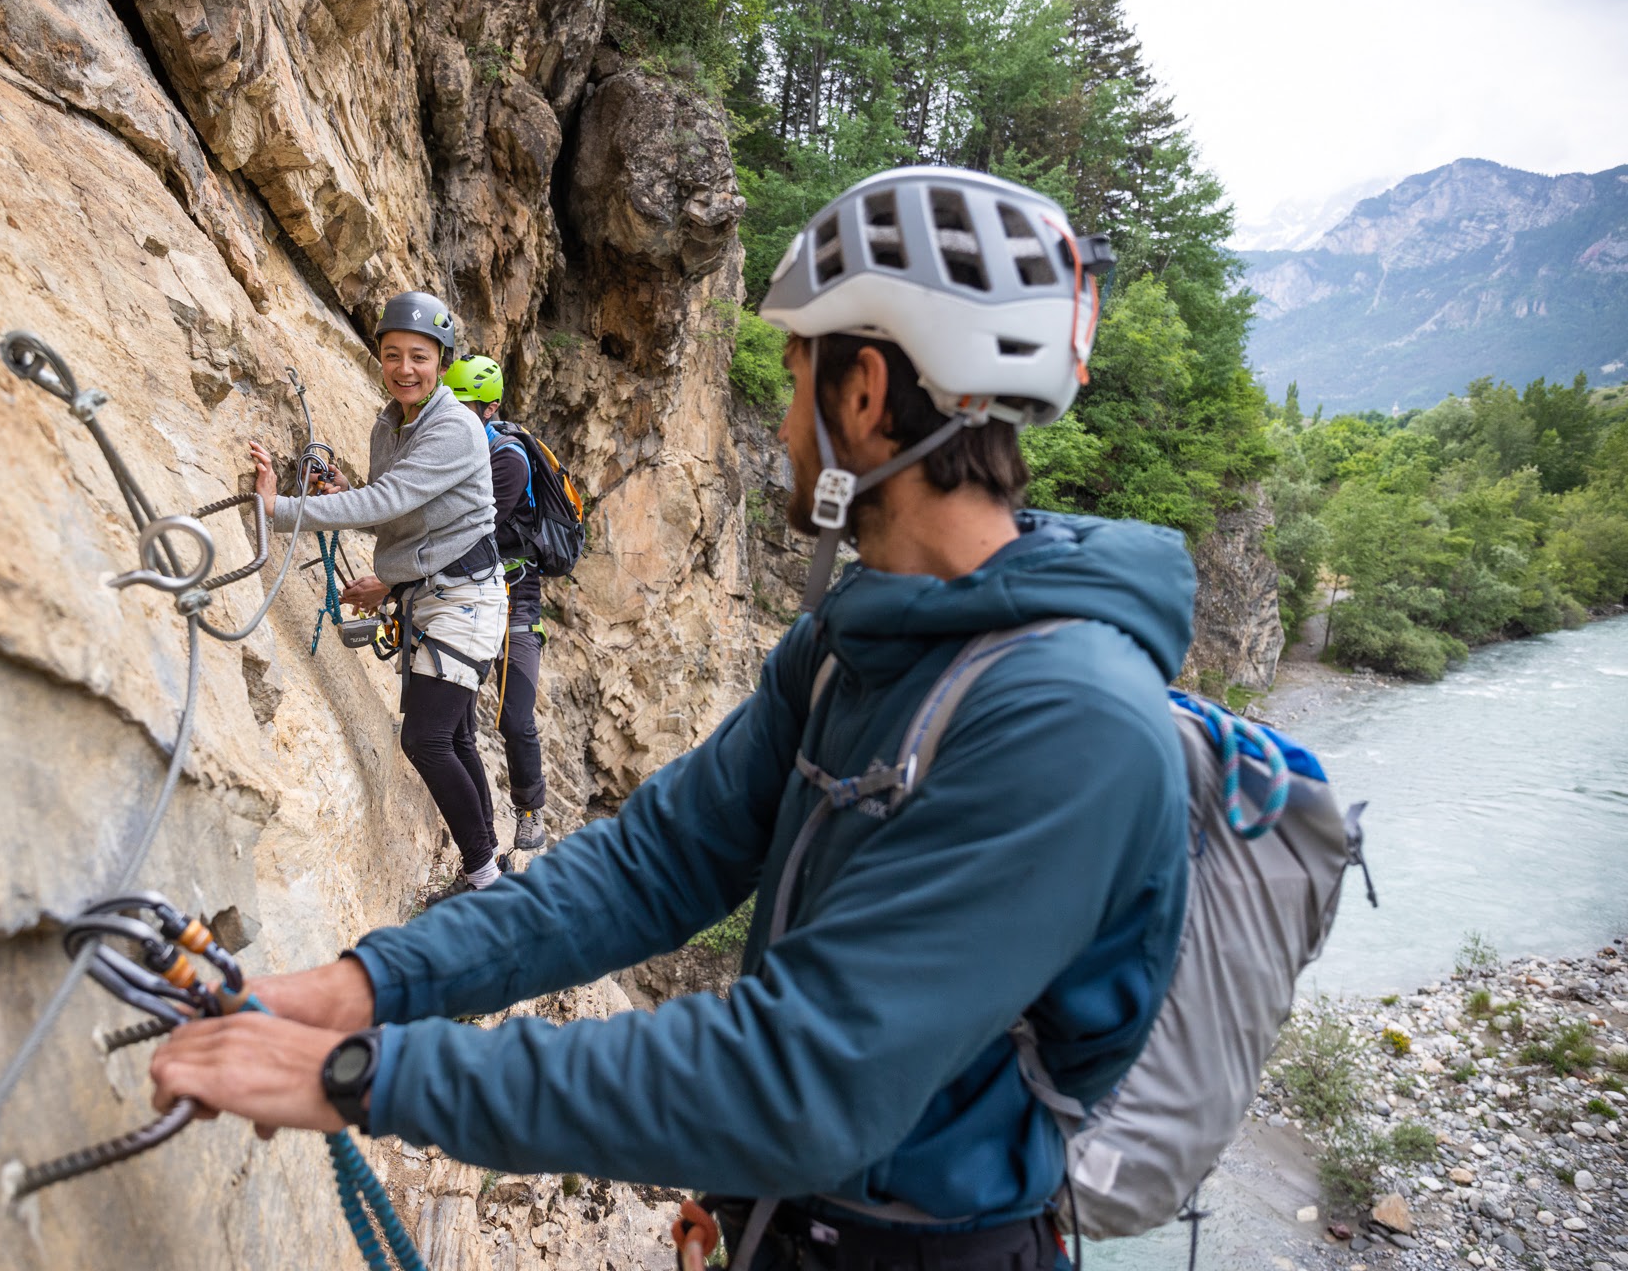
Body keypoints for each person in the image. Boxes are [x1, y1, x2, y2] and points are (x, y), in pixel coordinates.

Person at [163, 168, 1196, 1270]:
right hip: (784, 1222)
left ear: (865, 391)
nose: (789, 425)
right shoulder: (861, 642)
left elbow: (797, 1078)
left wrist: (367, 1073)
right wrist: (361, 984)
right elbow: (653, 866)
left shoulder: (1072, 727)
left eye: (799, 380)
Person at [250, 290, 508, 903]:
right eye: (392, 355)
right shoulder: (391, 423)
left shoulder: (455, 427)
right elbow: (397, 508)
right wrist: (345, 491)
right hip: (434, 593)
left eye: (418, 356)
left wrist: (278, 510)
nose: (404, 368)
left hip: (464, 596)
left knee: (426, 739)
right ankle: (491, 868)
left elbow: (387, 503)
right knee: (457, 737)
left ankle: (485, 879)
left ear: (442, 361)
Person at [443, 352, 550, 854]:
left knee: (512, 716)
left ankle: (529, 812)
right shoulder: (459, 444)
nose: (459, 413)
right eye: (454, 402)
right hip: (476, 586)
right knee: (458, 708)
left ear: (491, 407)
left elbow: (475, 524)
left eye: (470, 406)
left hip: (516, 594)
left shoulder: (507, 457)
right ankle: (479, 823)